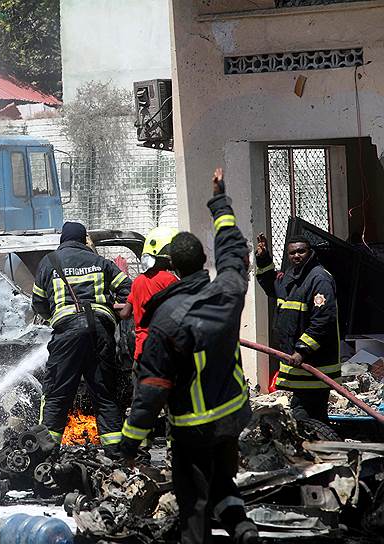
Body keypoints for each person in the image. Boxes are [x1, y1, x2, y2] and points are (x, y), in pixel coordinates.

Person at [119, 168, 258, 544]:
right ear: (201, 263)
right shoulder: (228, 290)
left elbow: (151, 389)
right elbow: (232, 251)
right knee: (223, 483)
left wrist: (130, 442)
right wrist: (220, 201)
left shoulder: (166, 321)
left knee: (193, 503)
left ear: (174, 269)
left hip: (193, 430)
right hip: (232, 415)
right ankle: (243, 529)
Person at [32, 221, 132, 455]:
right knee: (105, 393)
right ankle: (115, 454)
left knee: (57, 393)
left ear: (63, 239)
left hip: (67, 335)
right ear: (83, 238)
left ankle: (45, 454)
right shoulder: (100, 262)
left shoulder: (49, 263)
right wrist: (110, 308)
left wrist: (56, 315)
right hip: (100, 332)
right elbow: (128, 289)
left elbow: (37, 303)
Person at [255, 233, 340, 422]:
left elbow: (323, 321)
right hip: (299, 368)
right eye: (292, 252)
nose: (296, 256)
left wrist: (302, 350)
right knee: (305, 414)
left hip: (315, 365)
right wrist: (263, 259)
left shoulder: (319, 279)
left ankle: (318, 446)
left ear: (310, 252)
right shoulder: (291, 276)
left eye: (301, 251)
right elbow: (272, 285)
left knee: (308, 417)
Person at [119, 226, 179, 364]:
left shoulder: (138, 281)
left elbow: (125, 313)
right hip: (163, 353)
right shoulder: (170, 280)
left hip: (141, 354)